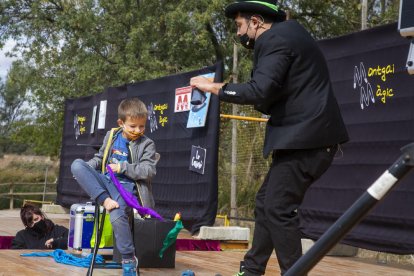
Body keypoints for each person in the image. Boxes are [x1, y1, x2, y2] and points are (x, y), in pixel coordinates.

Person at [190, 1, 349, 275]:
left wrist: (214, 87)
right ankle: (251, 270)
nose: (239, 34)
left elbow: (259, 90)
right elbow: (273, 92)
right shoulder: (290, 35)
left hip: (307, 140)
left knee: (277, 208)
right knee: (266, 203)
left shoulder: (275, 39)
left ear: (255, 22)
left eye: (240, 26)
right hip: (303, 139)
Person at [71, 97, 157, 276]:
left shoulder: (147, 144)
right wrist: (87, 168)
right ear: (121, 122)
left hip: (126, 189)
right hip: (106, 183)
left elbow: (149, 170)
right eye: (133, 126)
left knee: (117, 216)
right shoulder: (112, 136)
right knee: (77, 165)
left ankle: (128, 260)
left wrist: (123, 167)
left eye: (142, 126)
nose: (138, 130)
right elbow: (99, 159)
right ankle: (104, 199)